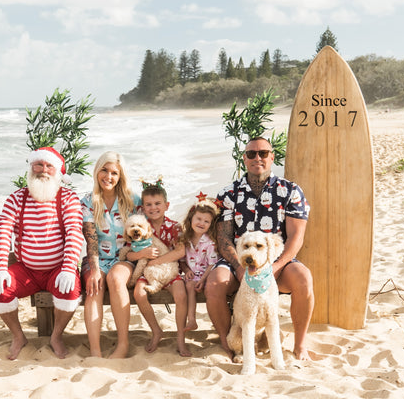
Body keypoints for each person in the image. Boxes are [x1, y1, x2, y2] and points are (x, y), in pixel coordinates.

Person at [205, 137, 314, 361]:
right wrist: (238, 267)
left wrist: (275, 266)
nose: (258, 158)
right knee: (215, 282)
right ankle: (229, 344)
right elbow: (223, 238)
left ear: (272, 157)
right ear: (244, 158)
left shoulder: (290, 191)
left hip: (276, 260)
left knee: (303, 277)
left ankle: (300, 345)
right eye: (252, 154)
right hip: (237, 259)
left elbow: (296, 237)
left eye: (263, 153)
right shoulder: (228, 193)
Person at [0, 147, 84, 360]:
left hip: (57, 269)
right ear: (31, 167)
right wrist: (0, 267)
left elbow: (74, 233)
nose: (43, 170)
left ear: (57, 171)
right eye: (38, 164)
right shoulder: (17, 198)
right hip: (26, 270)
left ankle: (56, 336)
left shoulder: (67, 197)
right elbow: (3, 230)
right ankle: (18, 336)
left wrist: (68, 269)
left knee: (70, 292)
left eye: (49, 166)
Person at [80, 151, 141, 358]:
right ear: (97, 171)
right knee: (94, 286)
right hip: (96, 257)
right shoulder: (88, 202)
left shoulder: (132, 200)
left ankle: (123, 345)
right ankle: (95, 350)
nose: (108, 176)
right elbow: (91, 239)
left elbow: (144, 231)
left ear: (120, 176)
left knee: (116, 279)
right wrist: (95, 269)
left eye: (114, 173)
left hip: (125, 257)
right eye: (104, 170)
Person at [128, 180, 191, 357]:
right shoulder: (139, 227)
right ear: (142, 207)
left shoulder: (174, 226)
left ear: (166, 205)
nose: (153, 208)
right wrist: (143, 254)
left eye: (157, 204)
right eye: (148, 204)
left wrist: (157, 261)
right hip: (148, 274)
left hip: (170, 273)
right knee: (139, 293)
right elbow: (129, 254)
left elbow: (180, 251)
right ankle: (156, 330)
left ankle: (180, 338)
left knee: (180, 294)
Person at [179, 194, 219, 333]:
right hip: (191, 276)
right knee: (184, 286)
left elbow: (212, 264)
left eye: (206, 221)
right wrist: (186, 270)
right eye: (199, 219)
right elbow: (182, 261)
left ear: (211, 225)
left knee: (190, 286)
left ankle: (192, 319)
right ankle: (187, 322)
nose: (201, 223)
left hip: (206, 276)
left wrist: (202, 280)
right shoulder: (185, 239)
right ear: (191, 219)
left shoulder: (210, 242)